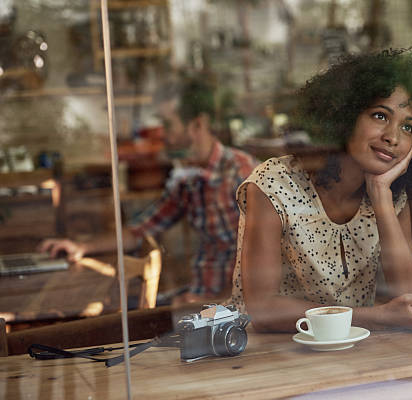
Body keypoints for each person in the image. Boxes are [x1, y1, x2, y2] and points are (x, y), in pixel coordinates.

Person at [226, 47, 412, 332]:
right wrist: (376, 316)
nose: (392, 137)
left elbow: (410, 295)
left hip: (352, 351)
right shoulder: (272, 185)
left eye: (408, 127)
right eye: (380, 116)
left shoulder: (391, 194)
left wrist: (379, 194)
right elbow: (264, 311)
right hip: (268, 356)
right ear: (344, 116)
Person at [40, 77, 258, 303]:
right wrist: (82, 246)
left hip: (232, 307)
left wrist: (217, 303)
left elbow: (263, 259)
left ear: (198, 125)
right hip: (200, 297)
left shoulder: (242, 174)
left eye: (167, 124)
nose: (162, 134)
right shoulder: (190, 178)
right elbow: (141, 230)